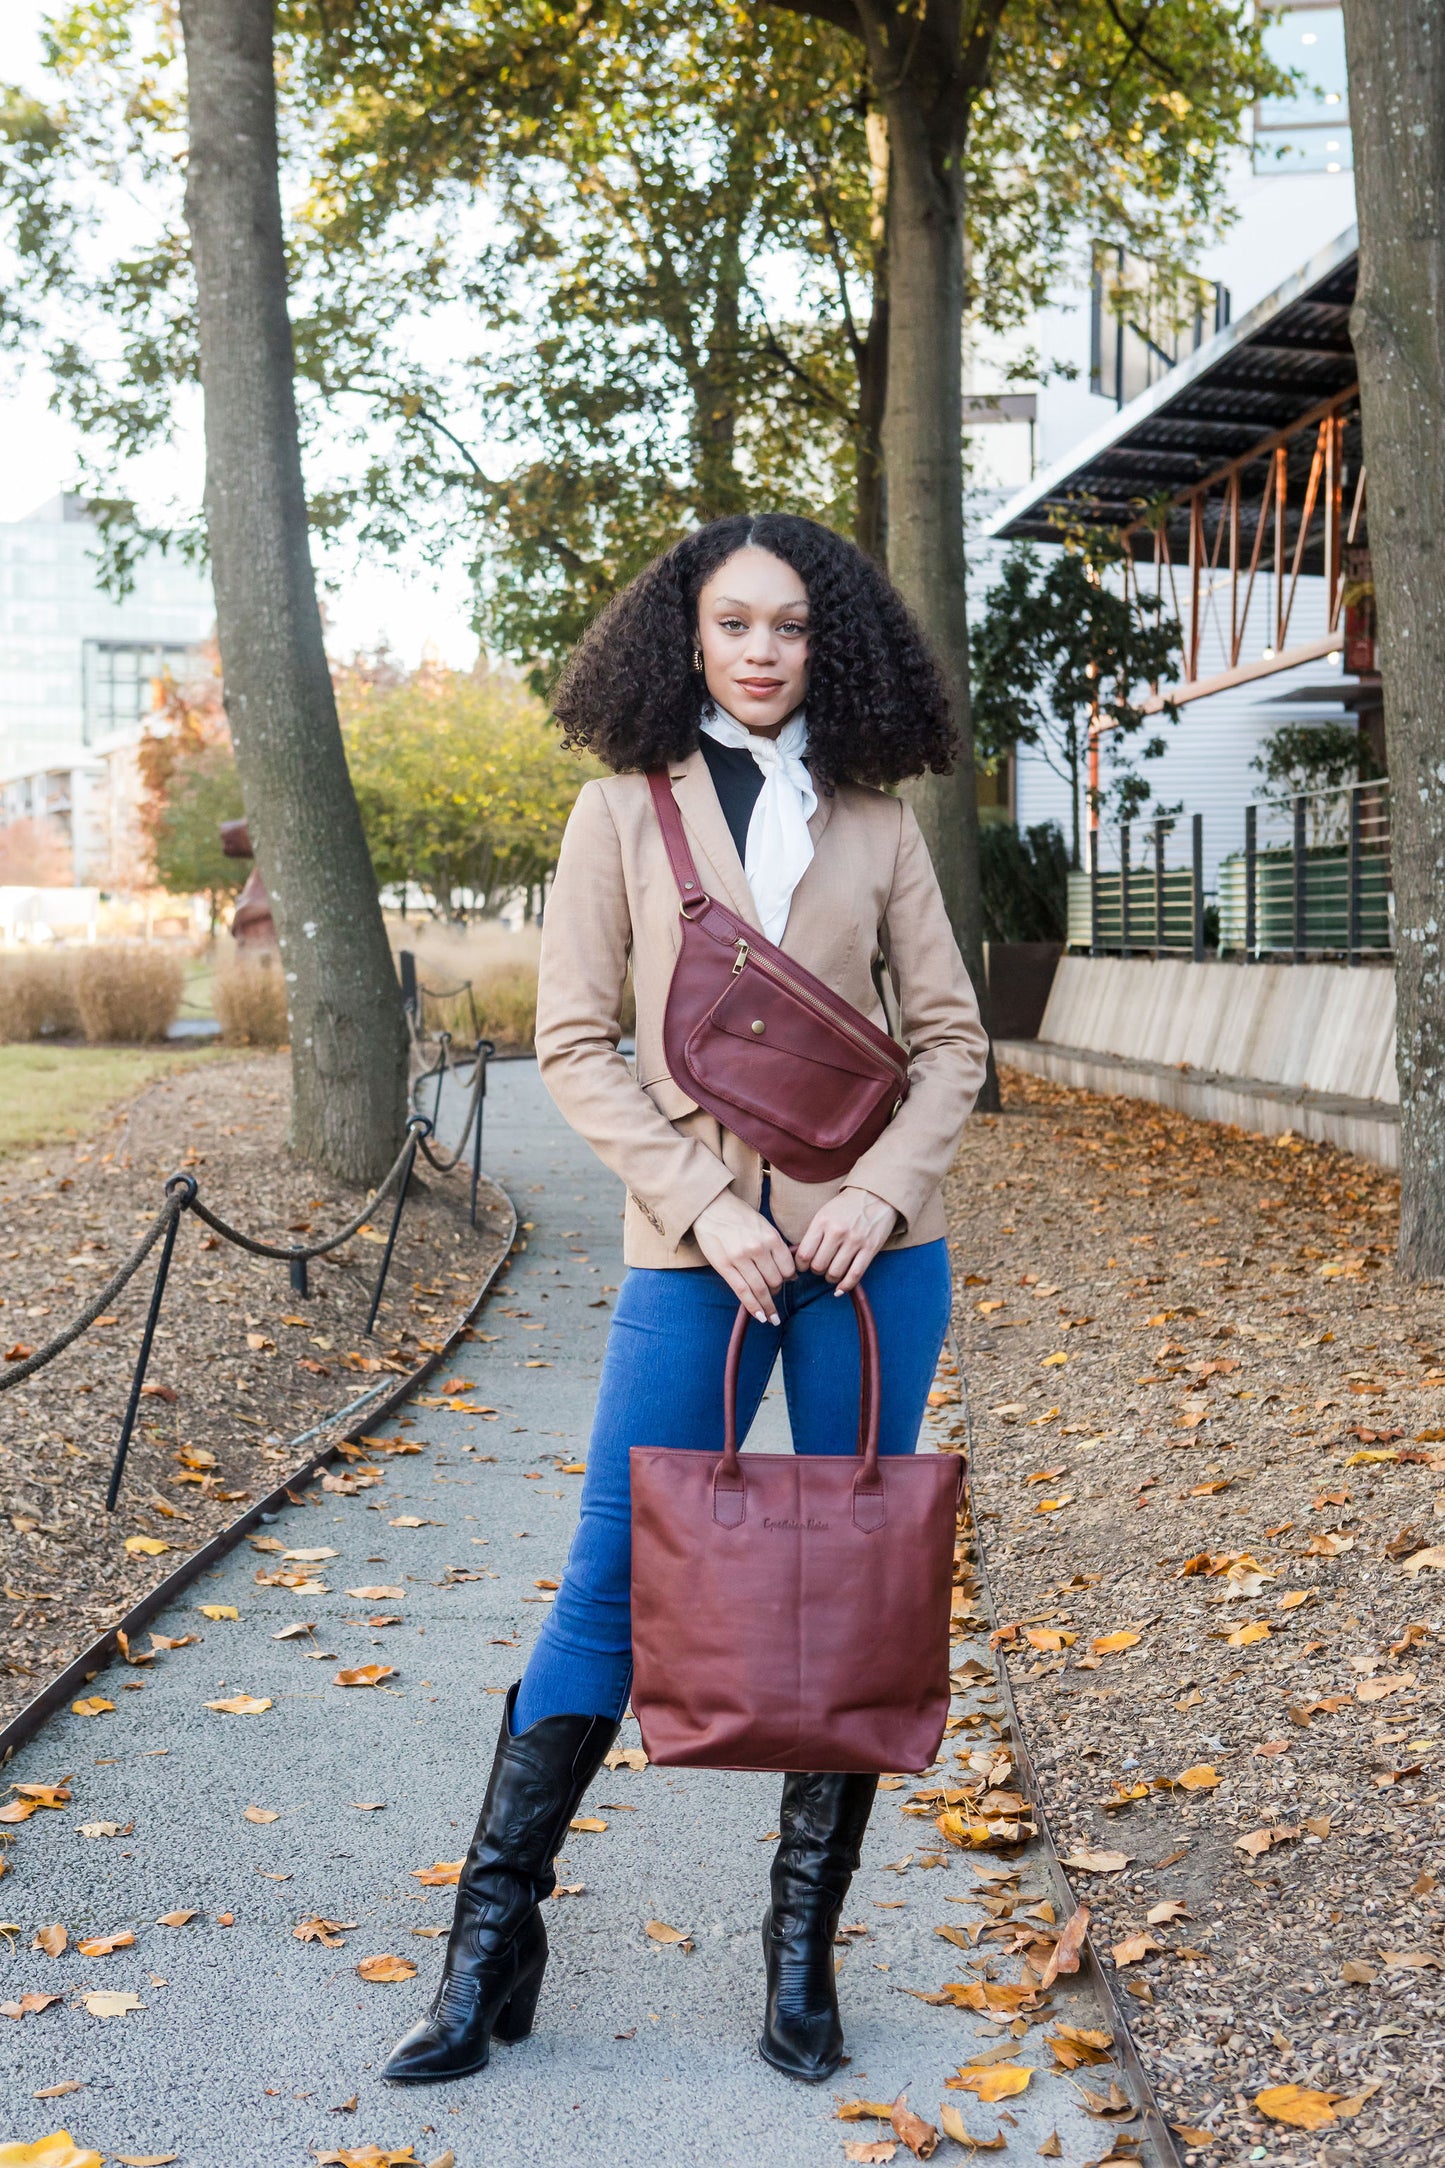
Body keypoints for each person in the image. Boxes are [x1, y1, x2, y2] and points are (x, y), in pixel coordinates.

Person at [383, 511, 990, 2088]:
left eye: (789, 625)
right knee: (604, 1590)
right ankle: (486, 1949)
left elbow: (951, 1046)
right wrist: (709, 1208)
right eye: (733, 623)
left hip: (873, 1266)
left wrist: (874, 1194)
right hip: (691, 1259)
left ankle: (801, 1961)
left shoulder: (877, 823)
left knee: (851, 1590)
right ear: (687, 639)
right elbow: (575, 1044)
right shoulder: (619, 818)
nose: (763, 651)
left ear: (829, 642)